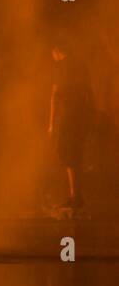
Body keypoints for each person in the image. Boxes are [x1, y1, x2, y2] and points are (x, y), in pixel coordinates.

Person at [49, 43, 94, 212]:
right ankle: (76, 195)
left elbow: (54, 96)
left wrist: (51, 124)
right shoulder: (81, 64)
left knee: (67, 154)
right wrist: (92, 113)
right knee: (76, 154)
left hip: (68, 116)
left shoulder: (60, 67)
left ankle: (75, 197)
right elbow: (89, 91)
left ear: (56, 50)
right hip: (82, 114)